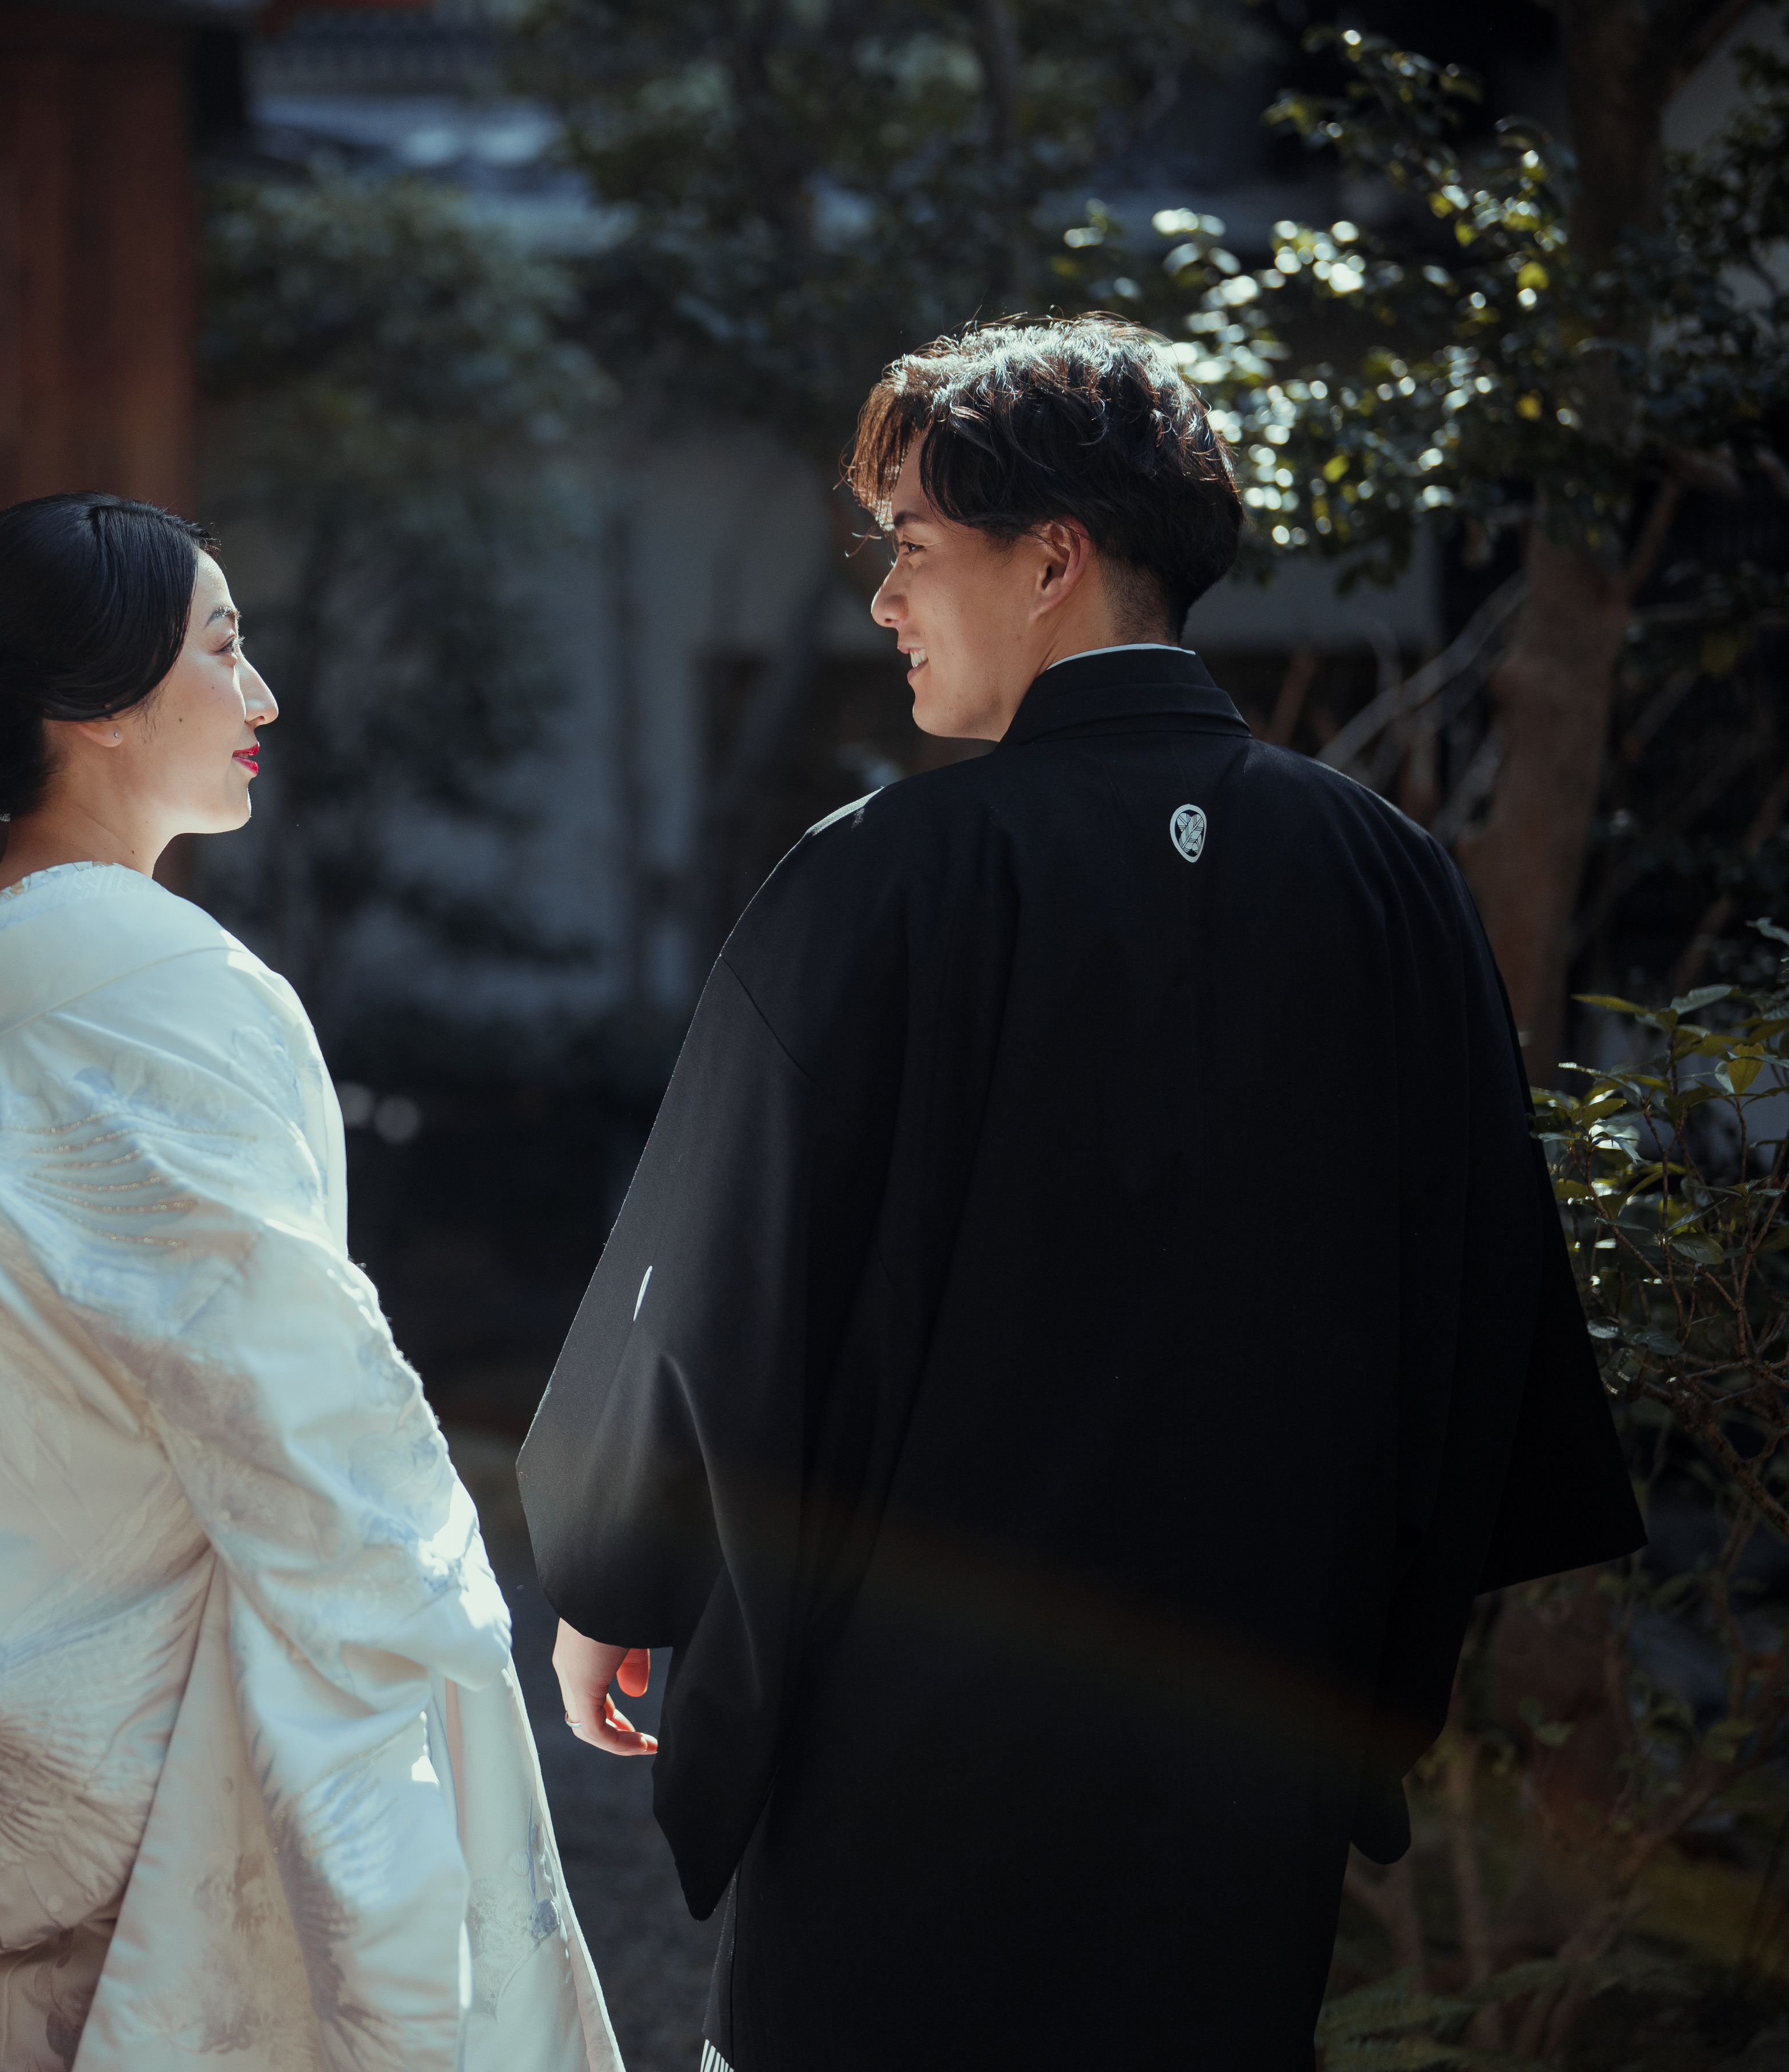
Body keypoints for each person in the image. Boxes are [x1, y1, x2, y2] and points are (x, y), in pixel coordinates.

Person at [517, 316, 1646, 2067]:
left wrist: (617, 1575)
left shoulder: (879, 882)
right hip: (1244, 1737)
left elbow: (717, 1282)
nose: (883, 601)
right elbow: (1478, 1314)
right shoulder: (1388, 883)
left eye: (911, 549)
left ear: (1053, 561)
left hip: (916, 1737)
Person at [0, 493, 623, 2072]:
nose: (262, 695)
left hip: (16, 1782)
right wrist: (446, 1671)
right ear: (93, 708)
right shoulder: (183, 1001)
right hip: (211, 1805)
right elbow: (311, 1434)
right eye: (223, 645)